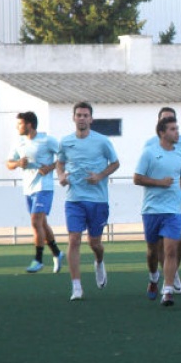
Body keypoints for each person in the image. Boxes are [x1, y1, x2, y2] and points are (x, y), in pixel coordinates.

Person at [55, 102, 121, 301]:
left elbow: (116, 163)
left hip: (98, 200)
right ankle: (76, 286)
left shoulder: (102, 141)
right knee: (74, 240)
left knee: (95, 243)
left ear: (91, 119)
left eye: (85, 115)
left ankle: (99, 261)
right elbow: (60, 162)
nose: (82, 118)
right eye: (79, 115)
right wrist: (61, 176)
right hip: (74, 199)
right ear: (73, 118)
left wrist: (100, 176)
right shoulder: (65, 142)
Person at [133, 115, 181, 307]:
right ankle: (153, 278)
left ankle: (167, 291)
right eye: (172, 129)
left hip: (173, 209)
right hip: (152, 209)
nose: (177, 132)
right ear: (162, 133)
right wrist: (159, 183)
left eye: (177, 128)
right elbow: (137, 178)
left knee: (170, 249)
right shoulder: (149, 153)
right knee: (152, 251)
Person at [5, 112, 64, 274]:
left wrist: (50, 168)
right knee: (42, 224)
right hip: (28, 189)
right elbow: (8, 163)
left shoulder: (46, 140)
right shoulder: (19, 142)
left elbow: (64, 156)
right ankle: (57, 253)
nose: (17, 127)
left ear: (29, 124)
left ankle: (38, 260)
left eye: (20, 124)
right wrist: (18, 163)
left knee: (35, 220)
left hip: (44, 188)